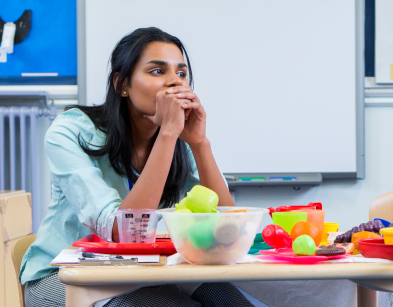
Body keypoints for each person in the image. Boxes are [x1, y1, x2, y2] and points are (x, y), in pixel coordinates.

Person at [19, 27, 252, 307]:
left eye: (181, 73)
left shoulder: (177, 140)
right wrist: (167, 134)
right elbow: (125, 233)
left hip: (144, 272)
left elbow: (228, 226)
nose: (174, 83)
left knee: (230, 300)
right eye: (157, 71)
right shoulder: (70, 132)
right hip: (64, 275)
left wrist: (200, 144)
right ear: (122, 84)